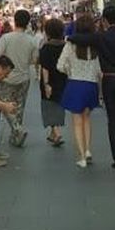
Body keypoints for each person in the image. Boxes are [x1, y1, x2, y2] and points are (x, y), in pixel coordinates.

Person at [69, 5, 115, 169]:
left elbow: (78, 39)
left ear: (104, 20)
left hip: (110, 81)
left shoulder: (101, 37)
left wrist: (68, 37)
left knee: (113, 119)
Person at [57, 14, 102, 168]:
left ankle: (82, 156)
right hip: (91, 85)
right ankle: (88, 150)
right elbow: (99, 70)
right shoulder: (96, 46)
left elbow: (60, 65)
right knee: (87, 119)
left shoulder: (71, 45)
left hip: (75, 84)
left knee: (77, 122)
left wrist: (70, 71)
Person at [0, 10, 39, 147]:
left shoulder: (6, 38)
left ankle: (17, 130)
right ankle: (16, 135)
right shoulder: (32, 41)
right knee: (19, 108)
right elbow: (34, 60)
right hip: (24, 77)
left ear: (15, 20)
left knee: (3, 105)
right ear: (27, 23)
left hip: (7, 77)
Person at [39, 18, 68, 147]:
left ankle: (56, 132)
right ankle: (52, 132)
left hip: (49, 79)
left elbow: (44, 67)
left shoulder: (46, 47)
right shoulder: (65, 46)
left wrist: (46, 84)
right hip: (62, 78)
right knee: (59, 102)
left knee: (49, 104)